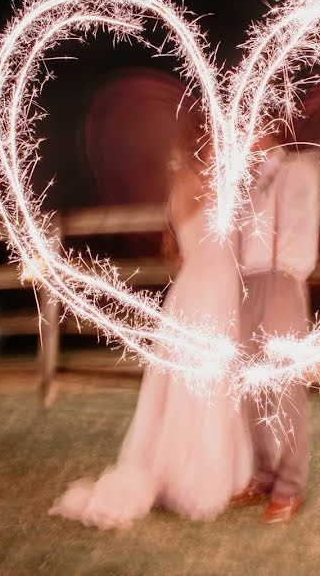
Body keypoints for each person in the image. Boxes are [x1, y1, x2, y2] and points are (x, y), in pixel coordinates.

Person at [48, 128, 252, 529]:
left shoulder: (194, 187)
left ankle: (207, 467)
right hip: (206, 294)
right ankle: (194, 476)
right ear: (204, 151)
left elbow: (184, 245)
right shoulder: (196, 187)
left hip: (210, 289)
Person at [232, 135, 320, 523]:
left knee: (285, 386)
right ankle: (265, 472)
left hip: (283, 278)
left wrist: (293, 270)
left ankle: (290, 485)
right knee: (249, 384)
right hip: (246, 282)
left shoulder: (299, 170)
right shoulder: (244, 181)